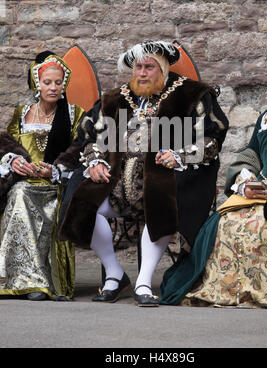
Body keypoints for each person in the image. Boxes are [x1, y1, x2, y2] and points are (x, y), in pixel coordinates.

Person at [59, 40, 228, 306]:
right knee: (81, 198)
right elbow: (90, 138)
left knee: (161, 197)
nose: (142, 73)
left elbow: (212, 139)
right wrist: (95, 162)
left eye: (149, 67)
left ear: (162, 69)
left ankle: (143, 281)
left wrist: (179, 155)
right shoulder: (114, 99)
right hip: (117, 182)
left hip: (164, 177)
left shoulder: (191, 96)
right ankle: (115, 274)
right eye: (138, 67)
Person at [160, 44, 267, 310]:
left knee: (260, 228)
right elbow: (251, 153)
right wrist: (246, 180)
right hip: (259, 190)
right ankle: (231, 289)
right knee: (225, 223)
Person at [0, 51, 84, 300]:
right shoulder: (21, 113)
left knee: (22, 195)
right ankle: (21, 279)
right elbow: (6, 146)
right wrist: (14, 161)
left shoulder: (73, 114)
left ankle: (37, 281)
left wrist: (54, 169)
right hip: (24, 182)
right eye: (48, 82)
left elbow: (81, 148)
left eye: (58, 83)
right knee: (19, 193)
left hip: (56, 184)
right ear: (38, 83)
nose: (54, 87)